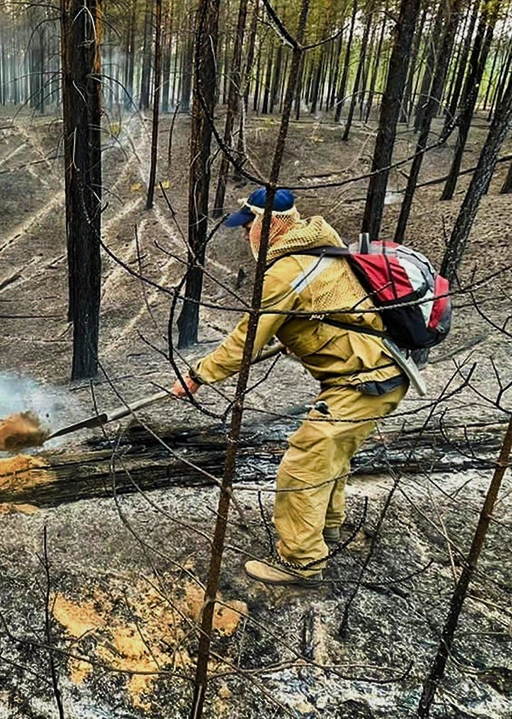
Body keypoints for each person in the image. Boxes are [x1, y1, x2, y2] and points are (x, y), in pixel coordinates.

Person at [172, 187, 409, 586]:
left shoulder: (286, 271)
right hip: (378, 376)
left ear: (268, 225)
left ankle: (301, 563)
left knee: (302, 466)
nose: (245, 233)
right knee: (329, 459)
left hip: (361, 383)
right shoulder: (320, 252)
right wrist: (295, 333)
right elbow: (332, 311)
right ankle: (328, 530)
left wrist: (197, 376)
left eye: (248, 224)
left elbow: (247, 338)